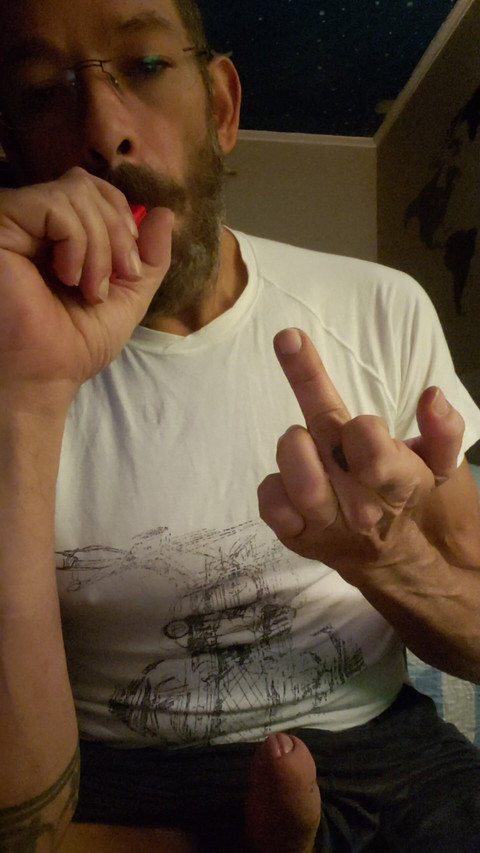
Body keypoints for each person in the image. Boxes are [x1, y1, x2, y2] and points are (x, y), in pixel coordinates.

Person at [0, 0, 479, 850]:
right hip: (114, 781)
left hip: (384, 757)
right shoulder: (6, 353)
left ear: (221, 107)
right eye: (44, 91)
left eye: (146, 66)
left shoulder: (381, 307)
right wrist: (23, 396)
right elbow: (22, 820)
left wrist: (389, 559)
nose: (104, 133)